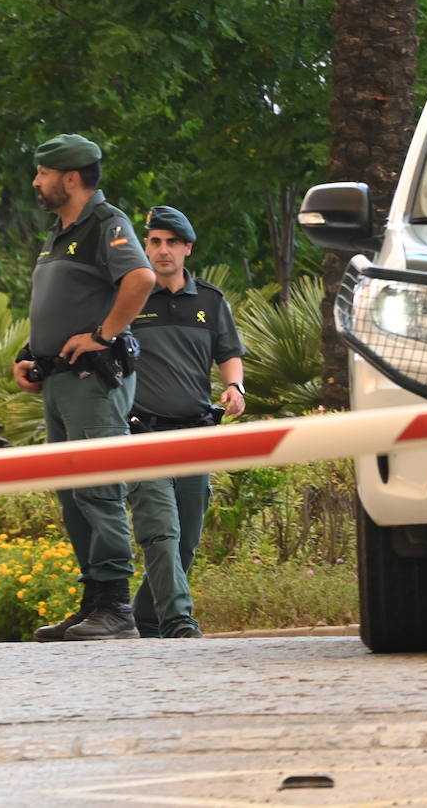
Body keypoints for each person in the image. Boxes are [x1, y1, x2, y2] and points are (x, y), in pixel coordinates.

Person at [12, 133, 154, 642]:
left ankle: (117, 608)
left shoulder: (106, 223)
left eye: (43, 173)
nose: (36, 181)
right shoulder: (61, 232)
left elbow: (139, 278)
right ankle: (94, 602)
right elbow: (60, 303)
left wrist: (102, 335)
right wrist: (30, 354)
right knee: (73, 493)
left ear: (70, 178)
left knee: (99, 488)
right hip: (58, 380)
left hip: (92, 382)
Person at [127, 206, 246, 638]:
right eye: (154, 241)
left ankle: (143, 618)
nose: (162, 250)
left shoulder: (210, 301)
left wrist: (236, 388)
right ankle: (178, 621)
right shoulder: (129, 297)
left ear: (187, 249)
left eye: (171, 242)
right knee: (161, 531)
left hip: (196, 432)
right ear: (146, 247)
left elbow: (229, 353)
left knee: (187, 539)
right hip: (142, 430)